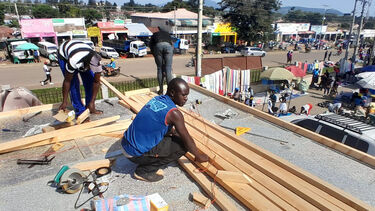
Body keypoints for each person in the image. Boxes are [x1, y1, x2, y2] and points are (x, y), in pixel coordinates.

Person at [121, 78, 209, 182]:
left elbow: (160, 125)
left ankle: (147, 159)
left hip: (125, 144)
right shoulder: (174, 114)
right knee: (182, 146)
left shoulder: (157, 99)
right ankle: (145, 171)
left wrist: (174, 133)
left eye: (187, 95)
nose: (186, 98)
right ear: (172, 92)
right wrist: (198, 156)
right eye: (183, 95)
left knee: (174, 136)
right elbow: (187, 139)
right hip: (134, 154)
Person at [58, 40, 103, 116]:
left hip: (81, 53)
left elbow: (96, 82)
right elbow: (67, 81)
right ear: (86, 64)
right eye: (90, 68)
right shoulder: (74, 60)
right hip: (64, 55)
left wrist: (92, 101)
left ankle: (90, 106)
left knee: (90, 80)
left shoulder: (97, 62)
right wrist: (64, 101)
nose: (92, 70)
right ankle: (80, 111)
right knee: (74, 84)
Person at [149, 27, 174, 95]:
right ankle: (170, 91)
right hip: (168, 47)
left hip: (158, 46)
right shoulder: (167, 34)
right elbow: (172, 45)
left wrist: (155, 55)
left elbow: (150, 45)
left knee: (159, 68)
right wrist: (171, 55)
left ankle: (161, 90)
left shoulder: (154, 35)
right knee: (168, 69)